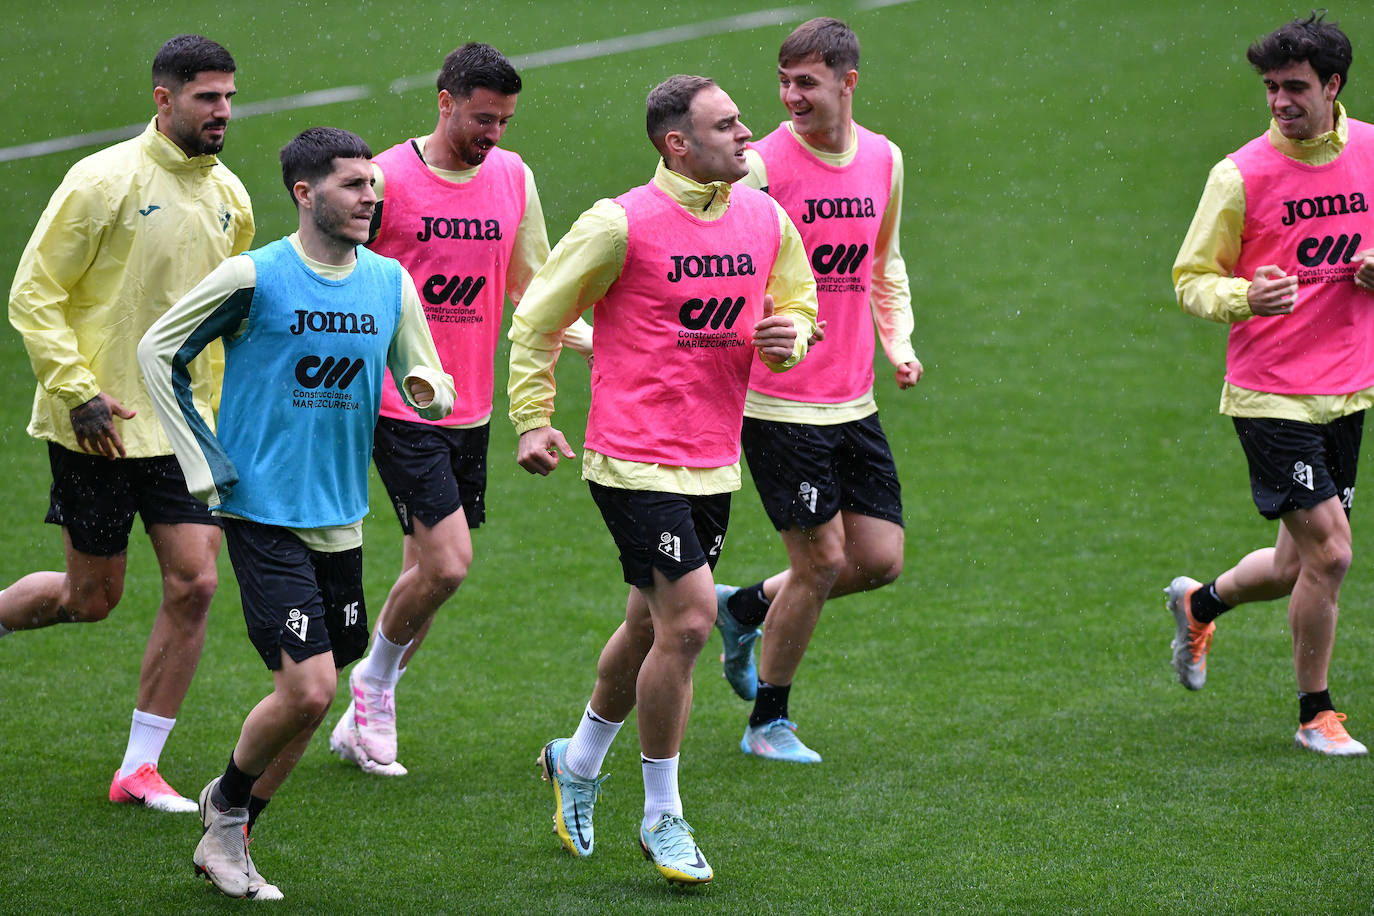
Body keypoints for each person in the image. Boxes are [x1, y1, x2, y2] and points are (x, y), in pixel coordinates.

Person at [510, 75, 817, 885]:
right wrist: (534, 418)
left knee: (649, 626)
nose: (748, 132)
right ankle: (662, 815)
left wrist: (794, 335)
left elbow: (798, 301)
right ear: (676, 143)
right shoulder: (619, 224)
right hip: (630, 457)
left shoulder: (761, 213)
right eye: (726, 124)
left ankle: (574, 762)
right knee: (690, 621)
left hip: (713, 458)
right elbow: (538, 317)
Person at [138, 127, 454, 899]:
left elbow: (428, 374)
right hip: (263, 514)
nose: (369, 197)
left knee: (308, 700)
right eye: (351, 185)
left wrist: (428, 392)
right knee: (311, 691)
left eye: (373, 185)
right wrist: (202, 459)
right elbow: (158, 350)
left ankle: (230, 823)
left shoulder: (388, 283)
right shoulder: (256, 277)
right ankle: (225, 816)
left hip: (341, 517)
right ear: (305, 194)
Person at [2, 34, 254, 812]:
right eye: (207, 97)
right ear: (164, 98)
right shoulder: (101, 180)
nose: (222, 112)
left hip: (184, 427)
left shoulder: (230, 198)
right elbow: (33, 294)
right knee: (92, 597)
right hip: (99, 425)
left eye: (229, 97)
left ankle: (139, 768)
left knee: (196, 582)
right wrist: (77, 390)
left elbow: (227, 319)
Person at [327, 42, 591, 777]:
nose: (494, 136)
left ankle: (361, 719)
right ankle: (373, 685)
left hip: (470, 406)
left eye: (505, 121)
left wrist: (602, 343)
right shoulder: (384, 180)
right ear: (444, 102)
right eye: (482, 118)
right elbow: (337, 281)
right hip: (398, 400)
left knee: (426, 580)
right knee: (448, 564)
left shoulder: (512, 176)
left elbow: (533, 289)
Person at [710, 17, 922, 764]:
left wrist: (899, 342)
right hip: (776, 401)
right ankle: (768, 722)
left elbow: (882, 265)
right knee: (822, 560)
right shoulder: (762, 167)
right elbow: (722, 264)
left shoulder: (885, 159)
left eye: (806, 81)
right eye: (784, 81)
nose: (790, 96)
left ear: (847, 81)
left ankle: (741, 608)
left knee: (880, 558)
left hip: (853, 396)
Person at [1169, 11, 1374, 757]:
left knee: (1297, 565)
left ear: (1333, 86)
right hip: (1269, 392)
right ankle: (1315, 713)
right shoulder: (1241, 174)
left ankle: (1200, 602)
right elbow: (1191, 279)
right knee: (1333, 556)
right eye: (1270, 88)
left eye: (1294, 88)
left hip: (1348, 389)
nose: (1280, 101)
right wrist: (1245, 297)